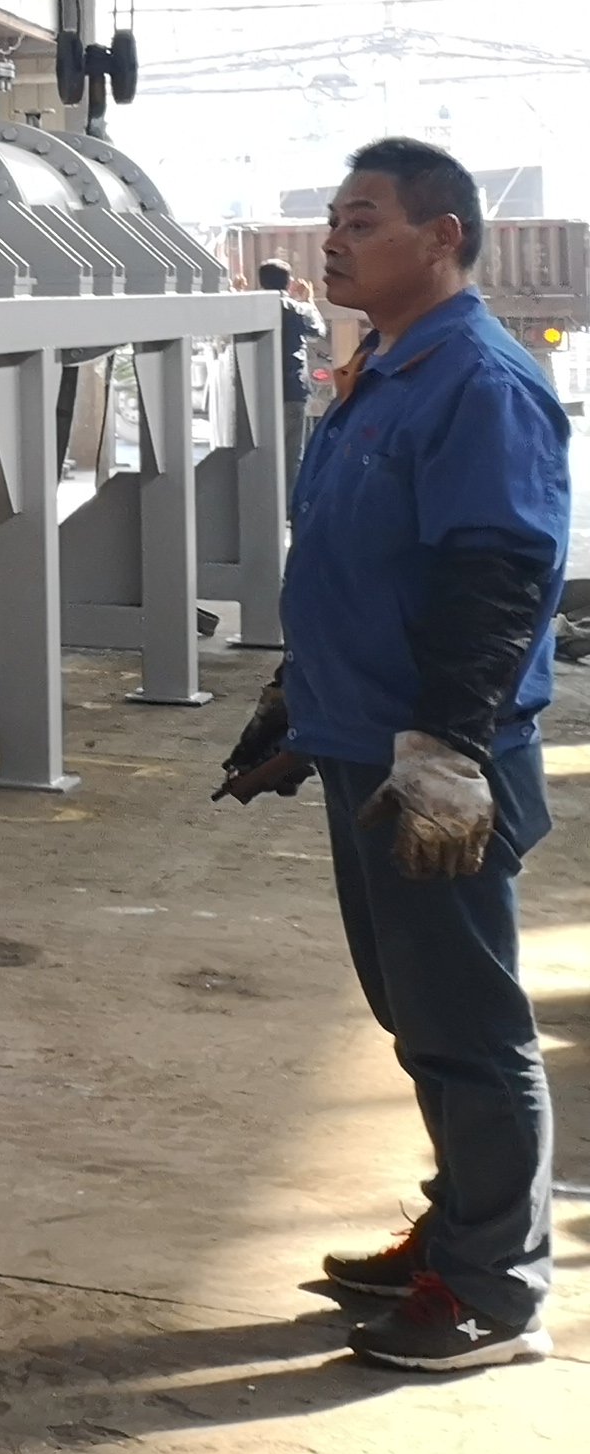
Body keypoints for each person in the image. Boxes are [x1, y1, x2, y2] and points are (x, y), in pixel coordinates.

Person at [217, 137, 566, 1372]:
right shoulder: (382, 368)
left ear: (441, 236)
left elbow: (497, 572)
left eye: (360, 220)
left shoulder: (476, 380)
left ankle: (492, 1291)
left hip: (435, 763)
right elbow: (356, 563)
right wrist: (297, 702)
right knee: (417, 1014)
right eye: (330, 219)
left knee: (467, 1026)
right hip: (365, 746)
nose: (331, 240)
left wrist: (446, 749)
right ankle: (458, 1228)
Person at [257, 258, 324, 478]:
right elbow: (317, 331)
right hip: (292, 387)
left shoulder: (251, 308)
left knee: (258, 452)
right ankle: (287, 497)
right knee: (292, 452)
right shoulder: (297, 309)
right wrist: (309, 301)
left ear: (261, 282)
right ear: (289, 283)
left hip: (257, 390)